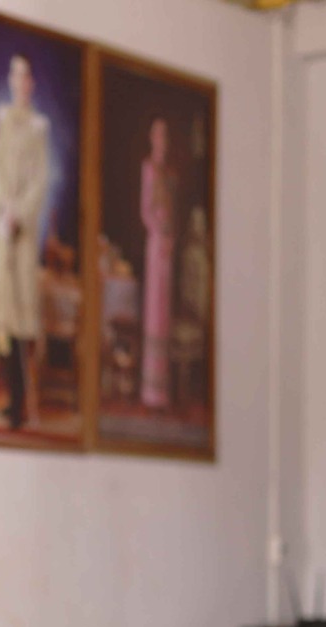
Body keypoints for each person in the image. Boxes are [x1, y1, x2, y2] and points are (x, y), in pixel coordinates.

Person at [0, 54, 51, 430]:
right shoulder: (1, 118)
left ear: (31, 84)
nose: (19, 82)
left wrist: (20, 213)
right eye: (14, 75)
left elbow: (40, 178)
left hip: (22, 232)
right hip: (2, 227)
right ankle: (10, 397)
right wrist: (2, 207)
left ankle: (23, 402)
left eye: (25, 76)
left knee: (23, 314)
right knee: (4, 314)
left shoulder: (40, 127)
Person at [139, 117, 177, 410]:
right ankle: (150, 390)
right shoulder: (149, 168)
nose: (161, 141)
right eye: (158, 135)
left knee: (165, 314)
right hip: (155, 244)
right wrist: (160, 231)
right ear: (153, 138)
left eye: (165, 135)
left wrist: (171, 235)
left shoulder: (170, 172)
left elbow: (173, 210)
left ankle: (163, 388)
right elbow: (146, 209)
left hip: (168, 246)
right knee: (153, 312)